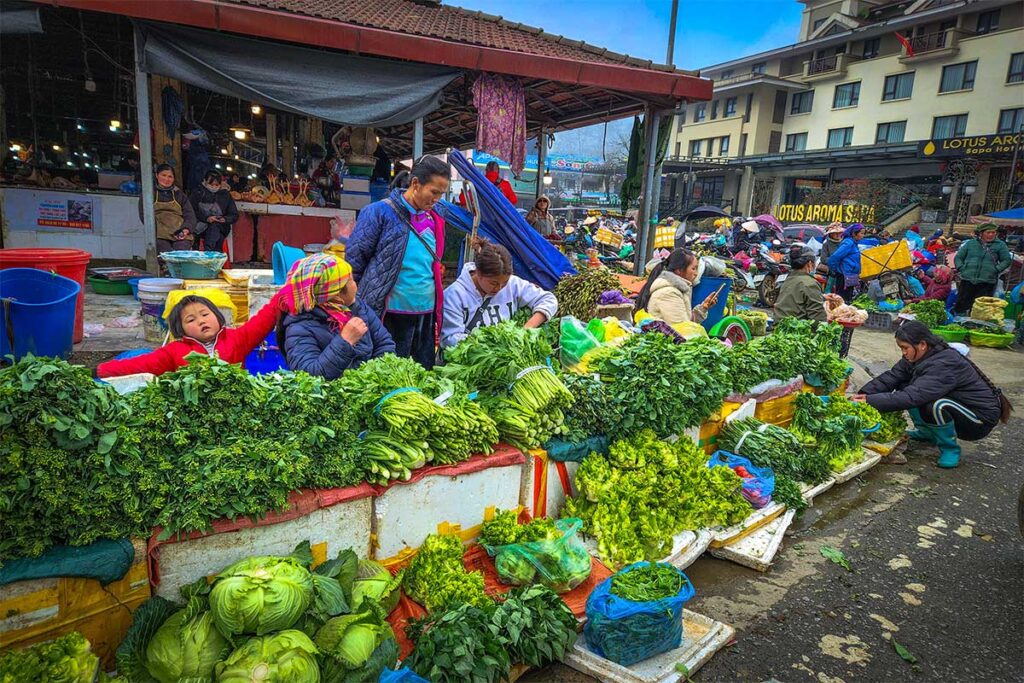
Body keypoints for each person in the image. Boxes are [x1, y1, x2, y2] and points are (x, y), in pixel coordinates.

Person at [853, 321, 1009, 468]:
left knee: (935, 405)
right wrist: (863, 394)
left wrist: (868, 401)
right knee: (904, 384)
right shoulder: (917, 357)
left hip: (978, 419)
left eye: (905, 347)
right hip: (959, 406)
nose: (903, 352)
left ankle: (950, 449)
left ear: (922, 344)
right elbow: (893, 376)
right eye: (901, 348)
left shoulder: (944, 363)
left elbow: (912, 396)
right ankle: (927, 432)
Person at [346, 156, 449, 369]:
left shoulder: (435, 218)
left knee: (421, 374)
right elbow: (354, 264)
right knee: (387, 374)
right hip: (387, 315)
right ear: (415, 184)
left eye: (441, 194)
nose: (437, 199)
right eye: (434, 192)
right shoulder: (379, 212)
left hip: (425, 315)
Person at [95, 292, 284, 378]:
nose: (201, 321)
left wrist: (288, 291)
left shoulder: (237, 339)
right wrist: (99, 371)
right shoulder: (174, 352)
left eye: (205, 314)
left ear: (217, 317)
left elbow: (265, 318)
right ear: (181, 329)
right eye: (191, 320)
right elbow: (139, 365)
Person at [277, 253, 393, 380]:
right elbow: (309, 377)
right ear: (336, 296)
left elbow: (384, 344)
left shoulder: (357, 306)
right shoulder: (299, 328)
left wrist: (372, 379)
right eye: (351, 280)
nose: (356, 285)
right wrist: (345, 342)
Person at [441, 238, 558, 348]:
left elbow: (548, 299)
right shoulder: (454, 295)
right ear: (479, 273)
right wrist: (492, 347)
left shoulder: (514, 284)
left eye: (504, 283)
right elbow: (450, 339)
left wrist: (526, 330)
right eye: (494, 283)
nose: (499, 288)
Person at [635, 248, 717, 325]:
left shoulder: (679, 289)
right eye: (693, 268)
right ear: (679, 270)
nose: (696, 273)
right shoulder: (668, 293)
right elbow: (682, 327)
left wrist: (703, 308)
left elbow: (686, 321)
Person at [953, 223, 1012, 315]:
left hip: (987, 281)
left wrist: (995, 269)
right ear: (981, 233)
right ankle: (959, 322)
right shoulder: (971, 243)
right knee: (961, 305)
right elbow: (958, 257)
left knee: (982, 308)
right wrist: (961, 268)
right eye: (988, 232)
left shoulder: (1000, 245)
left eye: (993, 233)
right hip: (968, 279)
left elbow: (1006, 260)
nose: (991, 235)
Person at [775, 246, 842, 322]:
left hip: (780, 324)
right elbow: (817, 316)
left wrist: (822, 297)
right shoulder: (810, 283)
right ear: (809, 264)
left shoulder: (789, 279)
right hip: (796, 329)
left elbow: (799, 297)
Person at [141, 163, 197, 254]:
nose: (166, 179)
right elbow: (144, 215)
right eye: (163, 175)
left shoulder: (179, 194)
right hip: (159, 234)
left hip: (179, 233)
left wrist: (185, 230)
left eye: (170, 177)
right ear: (156, 175)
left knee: (180, 255)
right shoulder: (149, 194)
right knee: (166, 256)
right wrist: (154, 231)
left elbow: (190, 215)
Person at [189, 170, 239, 252]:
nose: (214, 187)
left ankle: (209, 253)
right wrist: (207, 218)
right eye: (211, 184)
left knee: (214, 228)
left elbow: (234, 215)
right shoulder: (197, 193)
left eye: (217, 185)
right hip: (200, 226)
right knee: (217, 237)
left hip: (221, 227)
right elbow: (191, 211)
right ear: (204, 181)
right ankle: (212, 256)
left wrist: (225, 219)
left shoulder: (225, 195)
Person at [827, 223, 865, 303]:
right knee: (842, 301)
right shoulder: (848, 243)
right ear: (854, 233)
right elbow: (834, 257)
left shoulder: (854, 243)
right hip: (844, 276)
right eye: (861, 233)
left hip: (850, 276)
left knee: (848, 300)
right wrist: (834, 270)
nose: (863, 235)